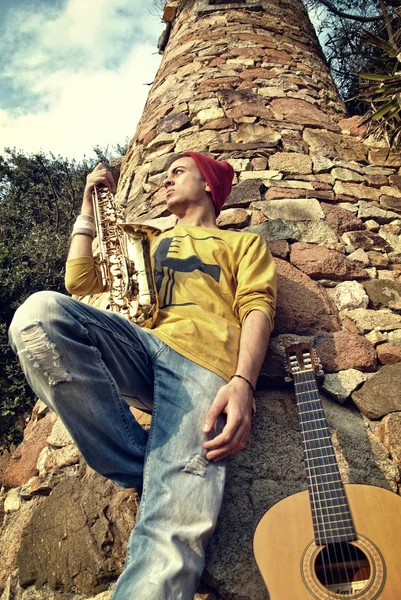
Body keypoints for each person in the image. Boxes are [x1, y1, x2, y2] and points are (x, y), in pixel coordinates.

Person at [9, 152, 277, 600]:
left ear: (209, 185)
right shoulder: (149, 240)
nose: (165, 181)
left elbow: (257, 308)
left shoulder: (242, 245)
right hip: (138, 341)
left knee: (171, 534)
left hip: (204, 361)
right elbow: (79, 282)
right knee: (36, 316)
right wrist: (86, 213)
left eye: (178, 173)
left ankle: (168, 486)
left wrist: (243, 383)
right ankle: (152, 469)